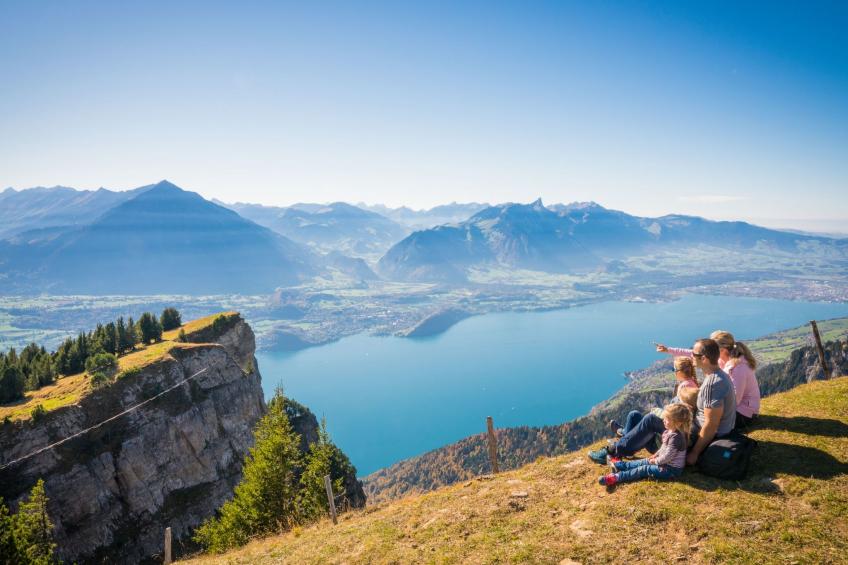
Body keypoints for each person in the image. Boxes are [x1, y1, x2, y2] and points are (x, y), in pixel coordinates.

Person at [589, 357, 698, 464]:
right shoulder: (689, 384)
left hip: (671, 441)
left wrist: (658, 412)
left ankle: (613, 451)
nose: (673, 372)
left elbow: (678, 416)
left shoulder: (686, 388)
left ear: (679, 371)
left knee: (650, 418)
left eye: (674, 370)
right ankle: (626, 441)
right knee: (634, 415)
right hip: (670, 432)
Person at [656, 330, 760, 430]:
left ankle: (669, 422)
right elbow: (693, 354)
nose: (707, 351)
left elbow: (735, 401)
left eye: (711, 347)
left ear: (722, 350)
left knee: (692, 412)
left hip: (743, 414)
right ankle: (669, 417)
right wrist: (668, 350)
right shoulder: (721, 359)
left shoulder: (738, 369)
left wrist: (706, 405)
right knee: (683, 402)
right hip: (734, 408)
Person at [598, 403, 692, 487]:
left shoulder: (677, 438)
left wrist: (655, 461)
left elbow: (668, 456)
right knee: (644, 461)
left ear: (678, 423)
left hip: (671, 470)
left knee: (644, 468)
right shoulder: (670, 431)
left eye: (667, 419)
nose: (663, 420)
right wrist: (655, 455)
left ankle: (616, 477)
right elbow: (664, 447)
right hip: (664, 462)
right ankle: (620, 465)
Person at [686, 338, 737, 466]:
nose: (691, 356)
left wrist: (695, 453)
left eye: (694, 354)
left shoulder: (713, 383)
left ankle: (627, 449)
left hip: (706, 435)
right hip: (721, 431)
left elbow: (711, 424)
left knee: (651, 421)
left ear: (704, 359)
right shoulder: (719, 374)